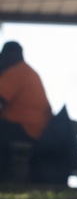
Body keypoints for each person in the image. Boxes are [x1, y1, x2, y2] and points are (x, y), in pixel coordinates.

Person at [0, 40, 53, 178]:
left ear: (12, 54)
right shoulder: (27, 71)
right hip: (36, 128)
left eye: (3, 55)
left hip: (26, 128)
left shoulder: (16, 71)